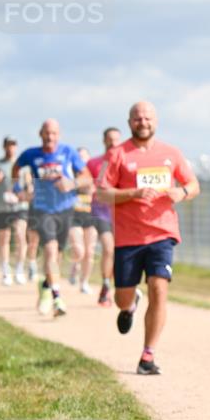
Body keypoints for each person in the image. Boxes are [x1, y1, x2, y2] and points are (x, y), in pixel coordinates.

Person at [98, 101, 200, 375]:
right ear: (129, 122)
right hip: (128, 238)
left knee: (159, 288)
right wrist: (133, 193)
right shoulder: (118, 154)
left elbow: (193, 184)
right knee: (122, 299)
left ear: (155, 121)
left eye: (147, 118)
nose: (143, 122)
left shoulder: (171, 153)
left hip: (162, 233)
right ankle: (130, 305)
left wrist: (182, 192)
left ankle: (147, 355)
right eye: (137, 118)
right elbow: (102, 193)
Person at [13, 119, 91, 317]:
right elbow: (15, 168)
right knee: (50, 249)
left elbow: (87, 177)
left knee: (61, 254)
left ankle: (46, 285)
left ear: (59, 135)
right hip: (42, 208)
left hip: (65, 208)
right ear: (40, 134)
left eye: (54, 133)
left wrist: (72, 183)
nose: (50, 137)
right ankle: (57, 297)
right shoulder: (31, 154)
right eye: (47, 133)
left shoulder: (68, 152)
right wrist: (18, 190)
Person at [86, 127, 120, 306]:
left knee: (120, 253)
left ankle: (120, 286)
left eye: (116, 139)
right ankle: (106, 285)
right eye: (110, 139)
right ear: (104, 140)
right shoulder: (94, 163)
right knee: (108, 248)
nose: (113, 143)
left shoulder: (125, 162)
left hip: (122, 215)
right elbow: (85, 183)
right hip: (101, 213)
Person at [0, 136, 32, 285]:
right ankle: (5, 271)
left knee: (21, 235)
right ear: (4, 147)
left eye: (13, 145)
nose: (11, 148)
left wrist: (25, 194)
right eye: (8, 145)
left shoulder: (24, 166)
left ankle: (19, 269)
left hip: (19, 207)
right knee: (4, 238)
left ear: (16, 147)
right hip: (2, 206)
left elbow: (29, 187)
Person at [67, 146, 96, 293]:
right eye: (79, 157)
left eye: (84, 156)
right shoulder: (69, 175)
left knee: (89, 252)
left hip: (91, 216)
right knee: (79, 250)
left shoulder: (94, 174)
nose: (82, 159)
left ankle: (84, 282)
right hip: (74, 216)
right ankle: (74, 265)